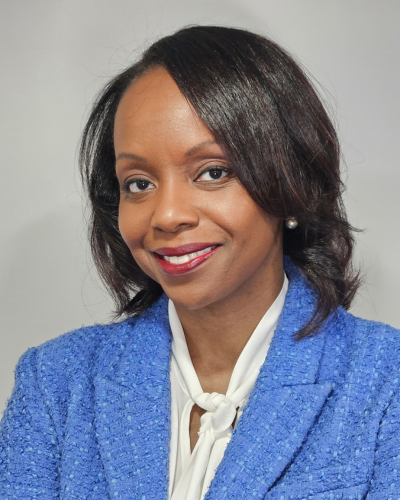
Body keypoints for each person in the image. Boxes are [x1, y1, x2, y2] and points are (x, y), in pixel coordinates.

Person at [0, 25, 399, 500]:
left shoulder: (385, 383)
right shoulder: (55, 383)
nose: (167, 215)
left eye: (212, 172)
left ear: (290, 183)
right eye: (139, 183)